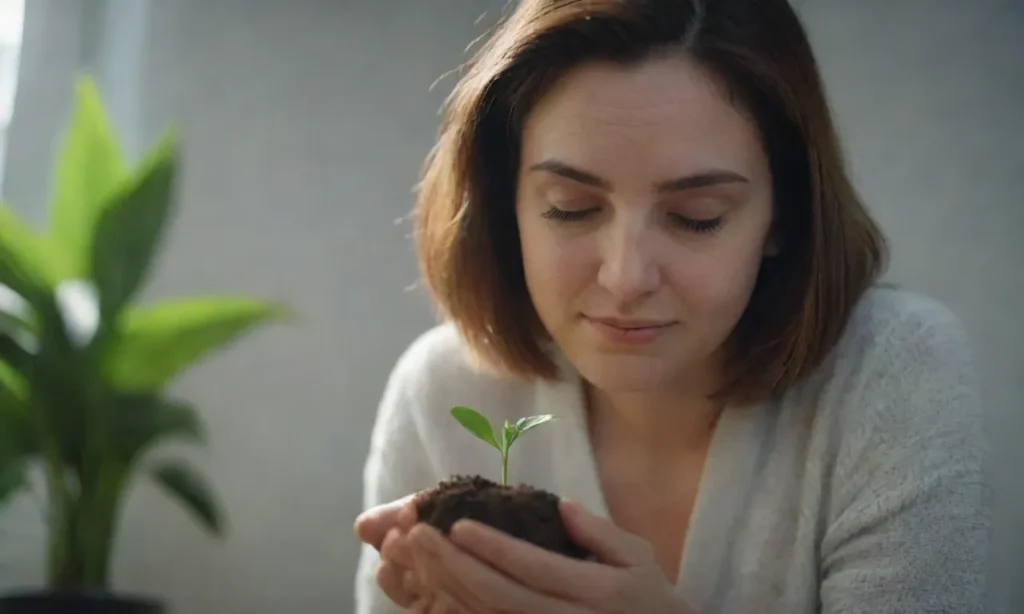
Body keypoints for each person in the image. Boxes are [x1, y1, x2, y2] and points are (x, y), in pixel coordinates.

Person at [353, 0, 991, 612]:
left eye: (696, 218)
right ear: (504, 202)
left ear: (783, 216)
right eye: (570, 208)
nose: (626, 277)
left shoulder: (893, 373)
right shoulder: (442, 393)